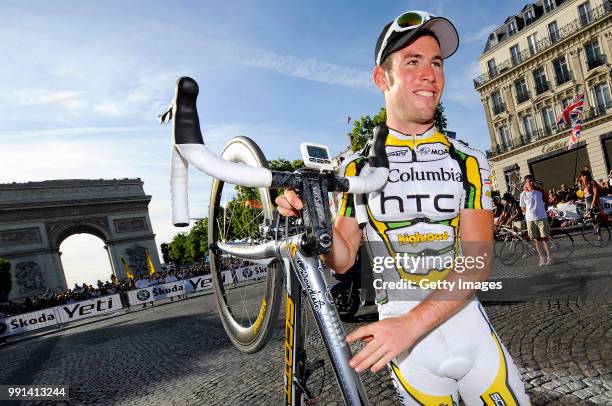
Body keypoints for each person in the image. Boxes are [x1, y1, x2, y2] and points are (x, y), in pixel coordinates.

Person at [276, 10, 529, 405]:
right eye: (413, 62)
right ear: (382, 78)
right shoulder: (356, 169)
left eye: (437, 63)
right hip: (411, 358)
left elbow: (477, 263)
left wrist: (411, 325)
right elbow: (341, 258)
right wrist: (313, 215)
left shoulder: (469, 160)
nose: (430, 74)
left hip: (467, 336)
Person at [519, 175, 552, 266]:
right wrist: (529, 213)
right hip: (530, 220)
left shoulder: (540, 191)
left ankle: (549, 257)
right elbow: (522, 207)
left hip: (542, 218)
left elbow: (547, 201)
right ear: (525, 183)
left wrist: (541, 209)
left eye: (532, 181)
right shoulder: (523, 194)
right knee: (537, 240)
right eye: (529, 181)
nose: (531, 183)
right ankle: (542, 257)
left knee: (545, 238)